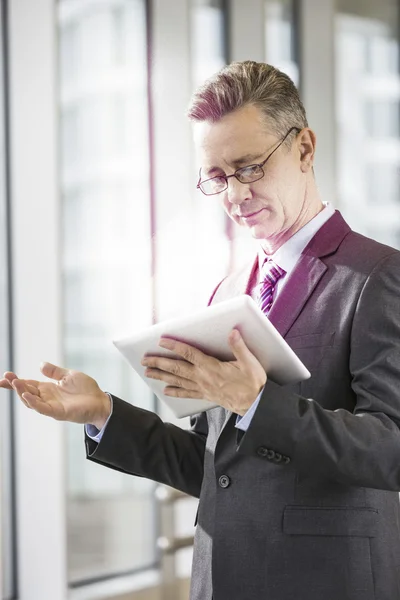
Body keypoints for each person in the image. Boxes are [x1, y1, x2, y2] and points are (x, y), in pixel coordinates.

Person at [2, 60, 400, 600]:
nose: (234, 195)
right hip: (222, 579)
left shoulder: (377, 275)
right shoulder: (228, 293)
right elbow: (212, 466)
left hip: (325, 580)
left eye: (249, 167)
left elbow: (391, 449)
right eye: (216, 176)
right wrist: (103, 414)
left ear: (304, 148)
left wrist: (259, 402)